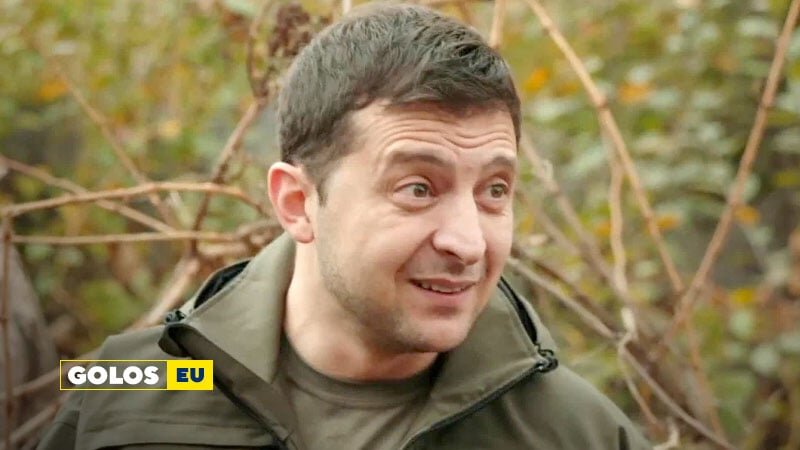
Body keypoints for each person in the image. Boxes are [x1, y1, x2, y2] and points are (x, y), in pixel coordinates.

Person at [39, 3, 650, 449]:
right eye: (418, 189)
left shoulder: (578, 432)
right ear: (298, 203)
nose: (467, 243)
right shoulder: (125, 387)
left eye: (494, 191)